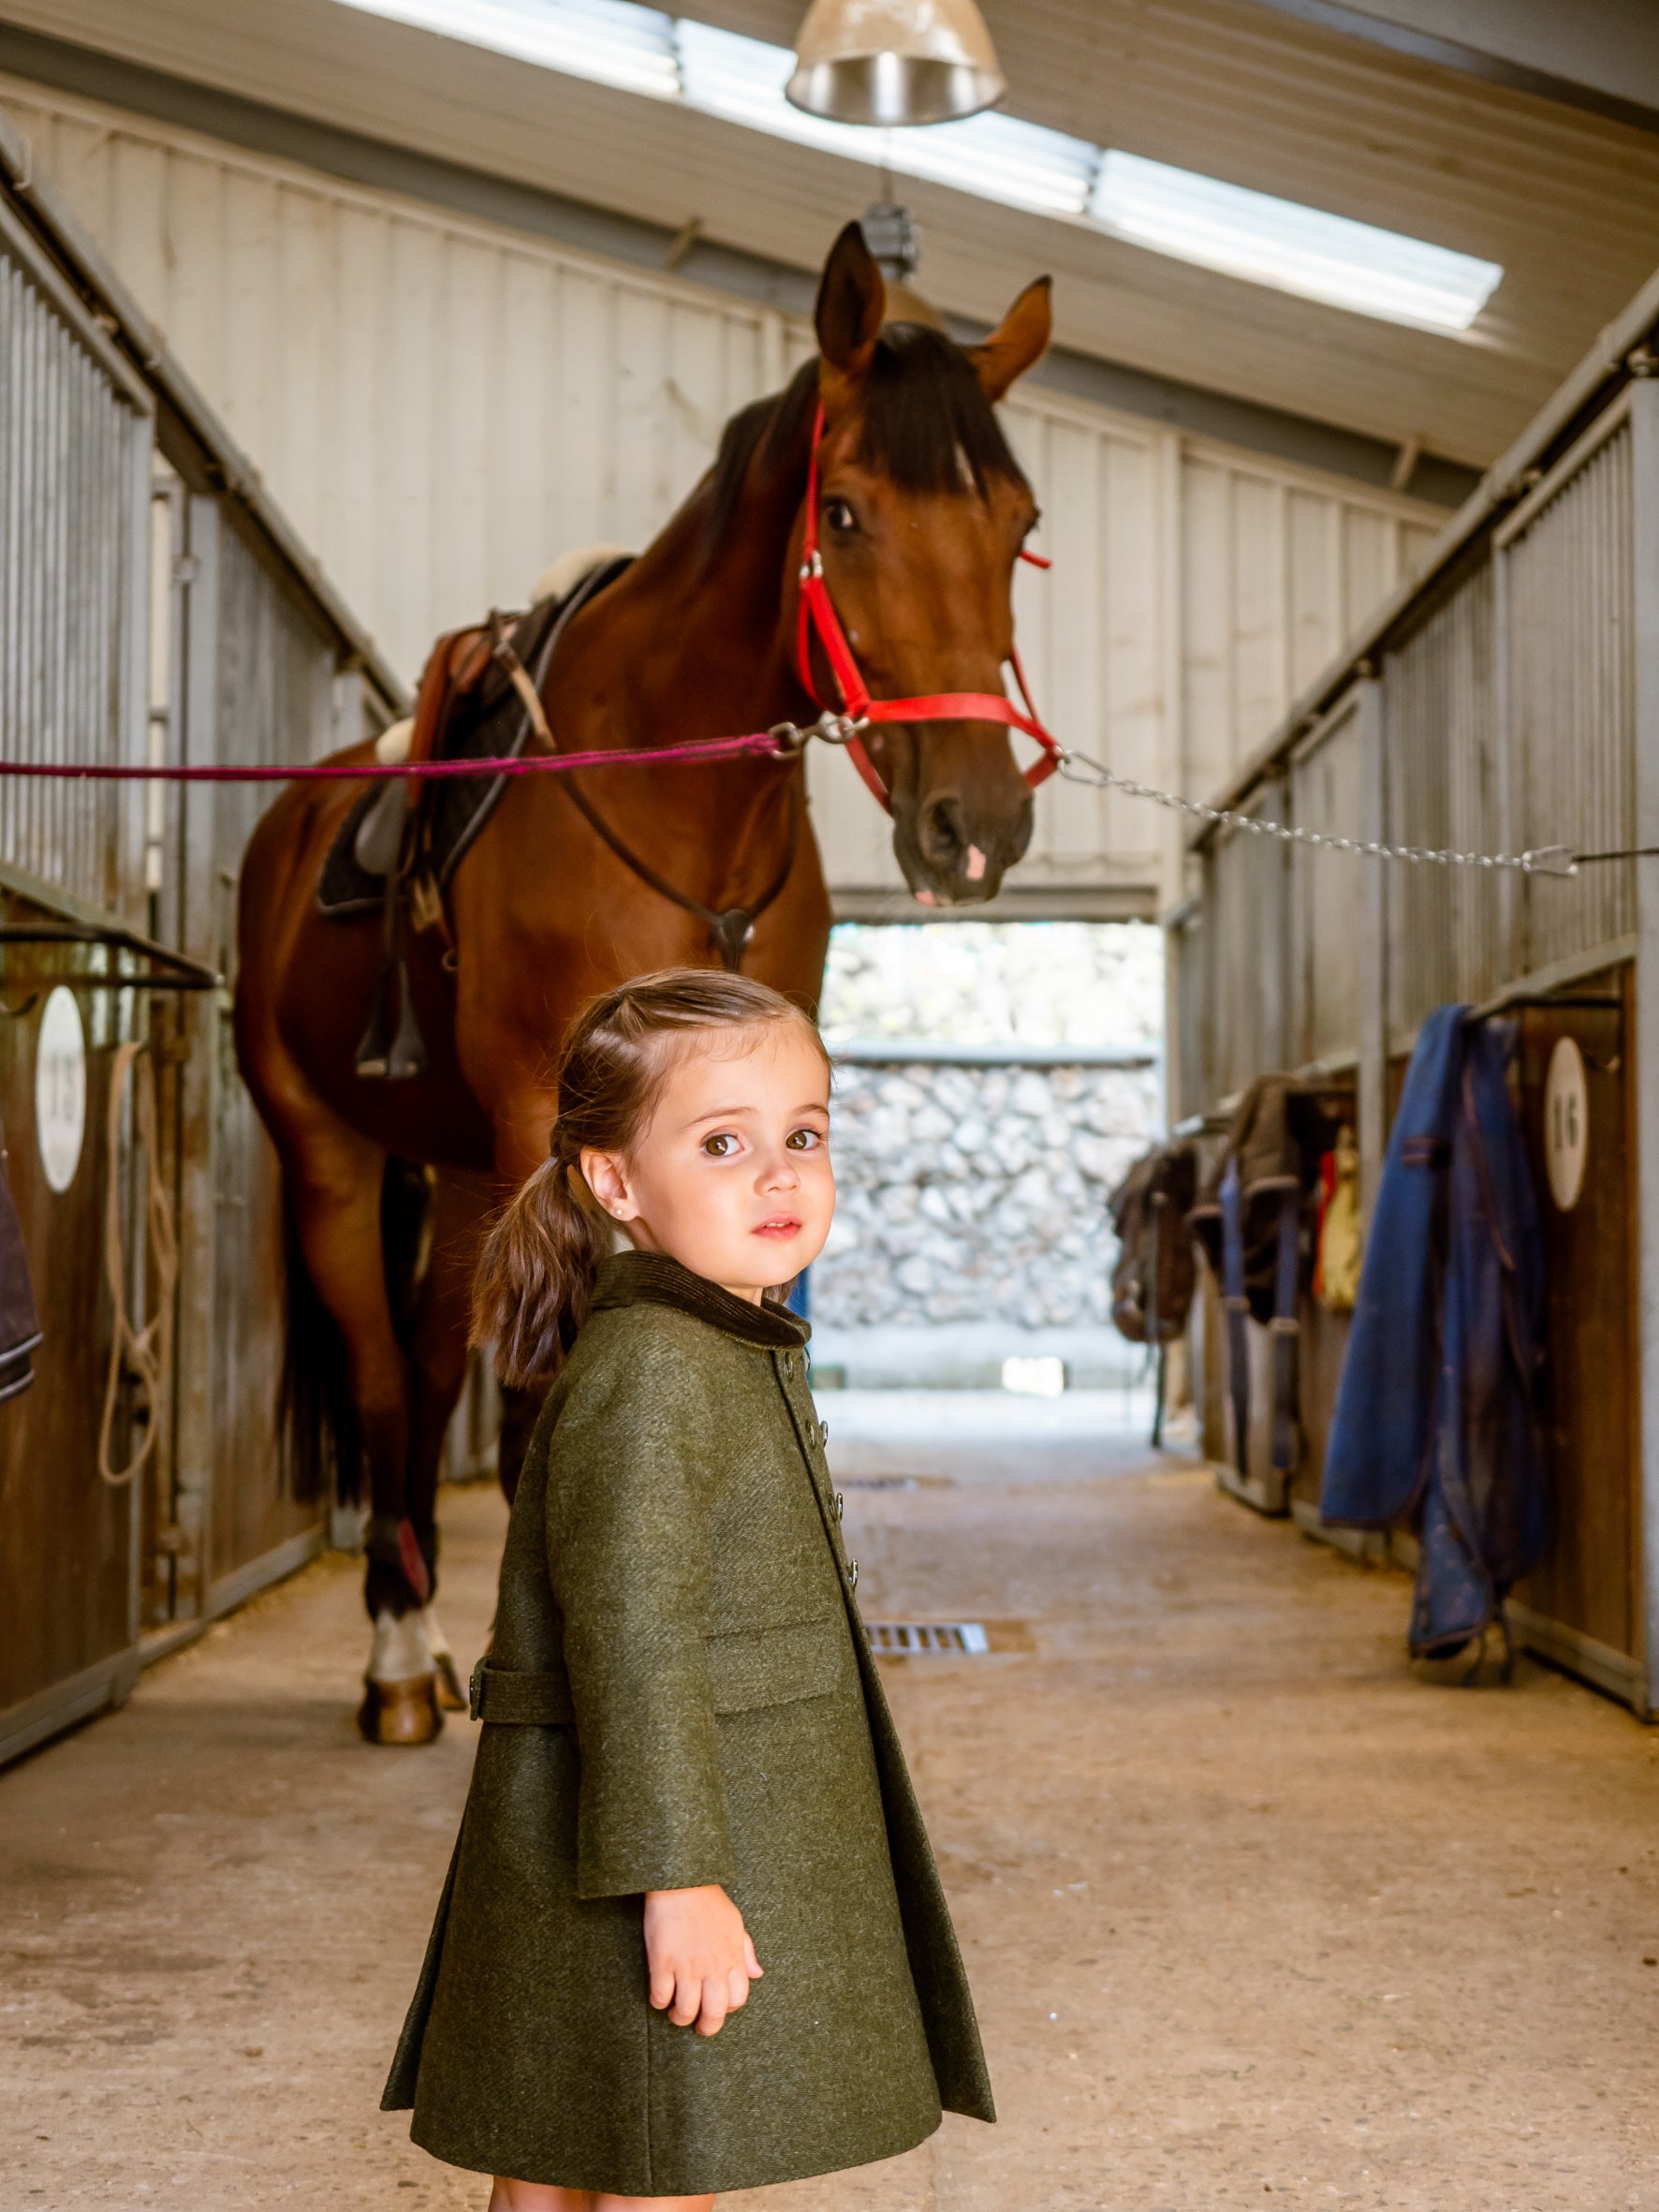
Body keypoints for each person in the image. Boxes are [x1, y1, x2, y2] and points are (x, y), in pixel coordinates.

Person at [382, 969, 994, 2209]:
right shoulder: (660, 1369)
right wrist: (682, 1881)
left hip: (639, 1822)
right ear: (615, 1180)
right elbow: (639, 1643)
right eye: (724, 1142)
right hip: (662, 1845)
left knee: (568, 2146)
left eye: (803, 1133)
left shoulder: (713, 1337)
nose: (779, 1174)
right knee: (667, 2165)